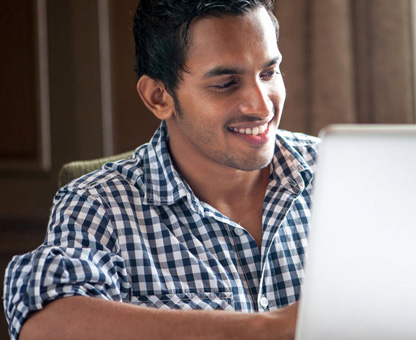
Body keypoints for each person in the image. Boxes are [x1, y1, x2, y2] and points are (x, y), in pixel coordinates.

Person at [3, 1, 318, 339]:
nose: (261, 105)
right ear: (158, 97)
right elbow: (46, 325)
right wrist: (268, 328)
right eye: (226, 84)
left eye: (269, 73)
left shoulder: (338, 171)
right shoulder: (99, 204)